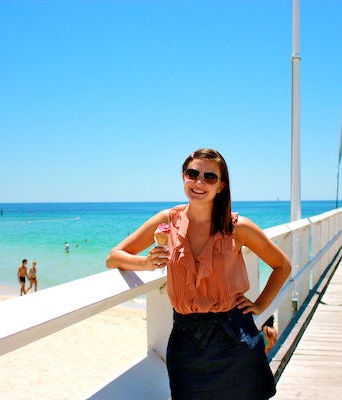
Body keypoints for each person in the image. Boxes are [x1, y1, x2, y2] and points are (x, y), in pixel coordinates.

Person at [106, 148, 291, 399]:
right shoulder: (167, 220)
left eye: (209, 177)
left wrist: (260, 305)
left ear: (221, 186)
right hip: (186, 342)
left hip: (235, 338)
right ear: (183, 176)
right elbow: (114, 257)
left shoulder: (238, 227)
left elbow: (282, 265)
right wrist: (146, 263)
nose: (199, 182)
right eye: (193, 173)